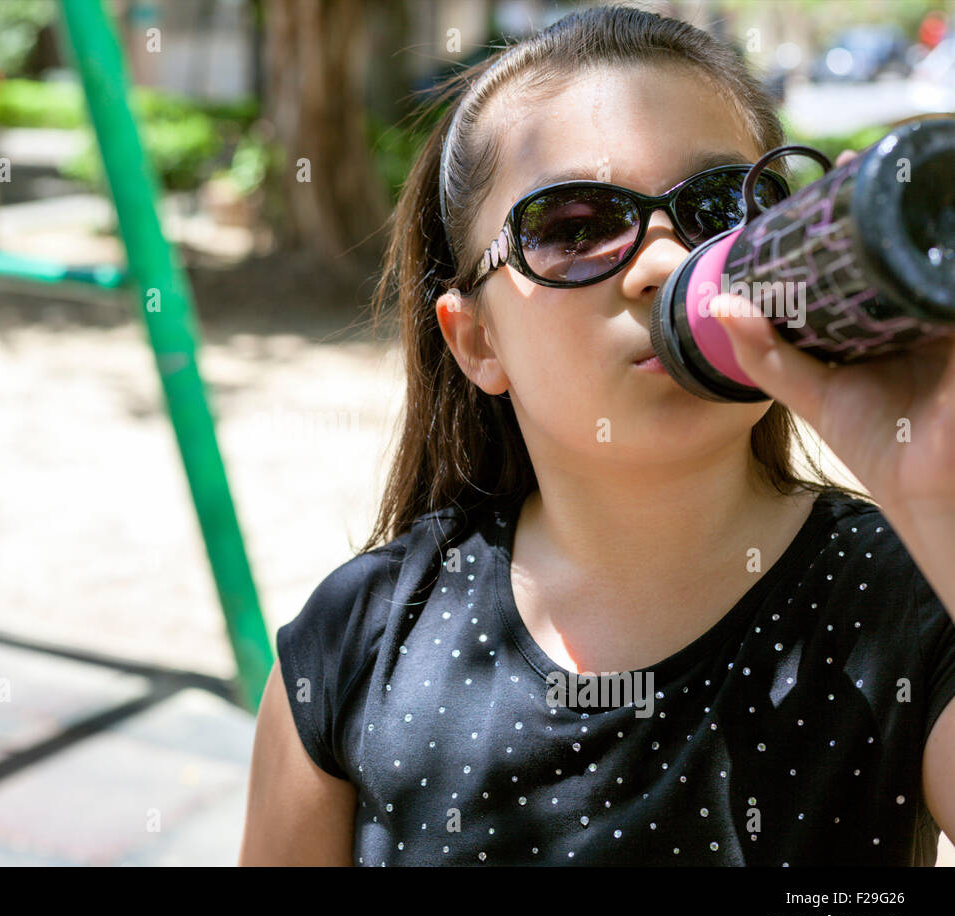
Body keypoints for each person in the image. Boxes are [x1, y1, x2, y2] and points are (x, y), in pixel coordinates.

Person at [239, 4, 955, 866]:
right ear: (478, 341)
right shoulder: (354, 646)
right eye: (574, 228)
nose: (665, 264)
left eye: (722, 206)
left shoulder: (910, 600)